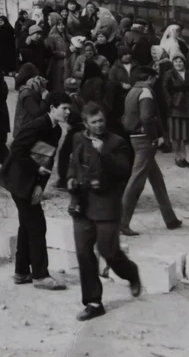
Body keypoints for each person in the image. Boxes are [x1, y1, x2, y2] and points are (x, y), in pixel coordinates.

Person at [64, 102, 141, 321]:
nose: (99, 125)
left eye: (101, 121)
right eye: (94, 122)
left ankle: (131, 273)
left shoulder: (117, 143)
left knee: (109, 252)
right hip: (81, 204)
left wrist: (103, 152)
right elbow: (73, 163)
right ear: (86, 124)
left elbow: (124, 170)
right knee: (84, 254)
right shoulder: (79, 138)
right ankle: (93, 302)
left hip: (107, 205)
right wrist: (70, 178)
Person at [0, 92, 73, 291]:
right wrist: (35, 171)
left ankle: (21, 272)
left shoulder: (56, 131)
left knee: (27, 224)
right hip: (18, 180)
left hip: (31, 182)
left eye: (69, 109)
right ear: (52, 108)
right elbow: (16, 149)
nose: (68, 112)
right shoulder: (37, 125)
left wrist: (40, 185)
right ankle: (40, 276)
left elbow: (47, 160)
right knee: (37, 225)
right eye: (64, 108)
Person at [120, 66, 183, 236]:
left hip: (135, 137)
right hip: (144, 140)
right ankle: (122, 222)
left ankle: (170, 219)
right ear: (150, 78)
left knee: (157, 180)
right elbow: (147, 117)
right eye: (154, 79)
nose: (155, 82)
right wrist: (155, 137)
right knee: (136, 182)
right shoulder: (146, 93)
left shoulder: (133, 90)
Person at [163, 52, 189, 169]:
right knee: (176, 135)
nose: (178, 63)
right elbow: (165, 90)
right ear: (173, 63)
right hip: (175, 108)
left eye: (180, 61)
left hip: (188, 107)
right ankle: (178, 156)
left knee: (188, 135)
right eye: (175, 61)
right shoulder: (169, 74)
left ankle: (188, 158)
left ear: (184, 62)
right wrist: (171, 102)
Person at [13, 64, 49, 139]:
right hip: (24, 133)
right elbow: (37, 113)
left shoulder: (29, 90)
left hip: (25, 130)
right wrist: (44, 99)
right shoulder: (27, 93)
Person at [44, 14, 69, 92]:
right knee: (57, 81)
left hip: (64, 62)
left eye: (62, 25)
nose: (61, 27)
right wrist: (62, 54)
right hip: (56, 63)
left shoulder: (65, 35)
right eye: (59, 25)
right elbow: (51, 52)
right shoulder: (52, 36)